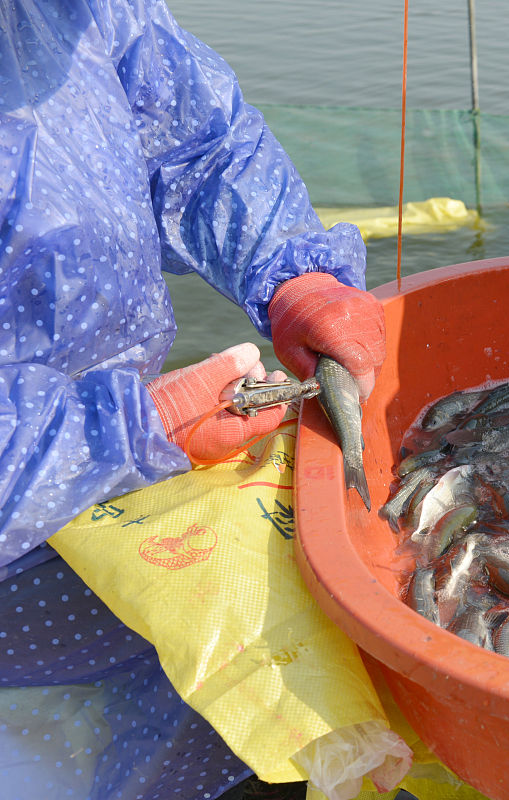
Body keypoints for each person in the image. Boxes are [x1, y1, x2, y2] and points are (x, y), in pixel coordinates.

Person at [0, 0, 386, 798]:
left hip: (110, 483)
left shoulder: (79, 12)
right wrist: (125, 434)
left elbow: (200, 144)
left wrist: (292, 272)